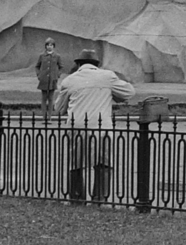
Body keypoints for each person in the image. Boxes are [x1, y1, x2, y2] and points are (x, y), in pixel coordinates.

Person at [55, 49, 136, 203]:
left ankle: (77, 198)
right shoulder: (107, 76)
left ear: (78, 63)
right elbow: (129, 92)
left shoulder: (69, 80)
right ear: (97, 64)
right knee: (103, 163)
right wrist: (113, 96)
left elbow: (58, 108)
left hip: (77, 125)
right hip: (101, 127)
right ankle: (100, 198)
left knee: (76, 164)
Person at [36, 39, 64, 119]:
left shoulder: (57, 56)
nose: (49, 47)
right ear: (45, 46)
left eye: (51, 45)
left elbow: (61, 67)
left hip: (52, 80)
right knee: (44, 98)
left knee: (51, 98)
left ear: (53, 46)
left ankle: (49, 117)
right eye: (48, 45)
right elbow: (37, 66)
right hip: (43, 79)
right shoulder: (42, 56)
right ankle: (44, 117)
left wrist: (57, 75)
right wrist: (39, 75)